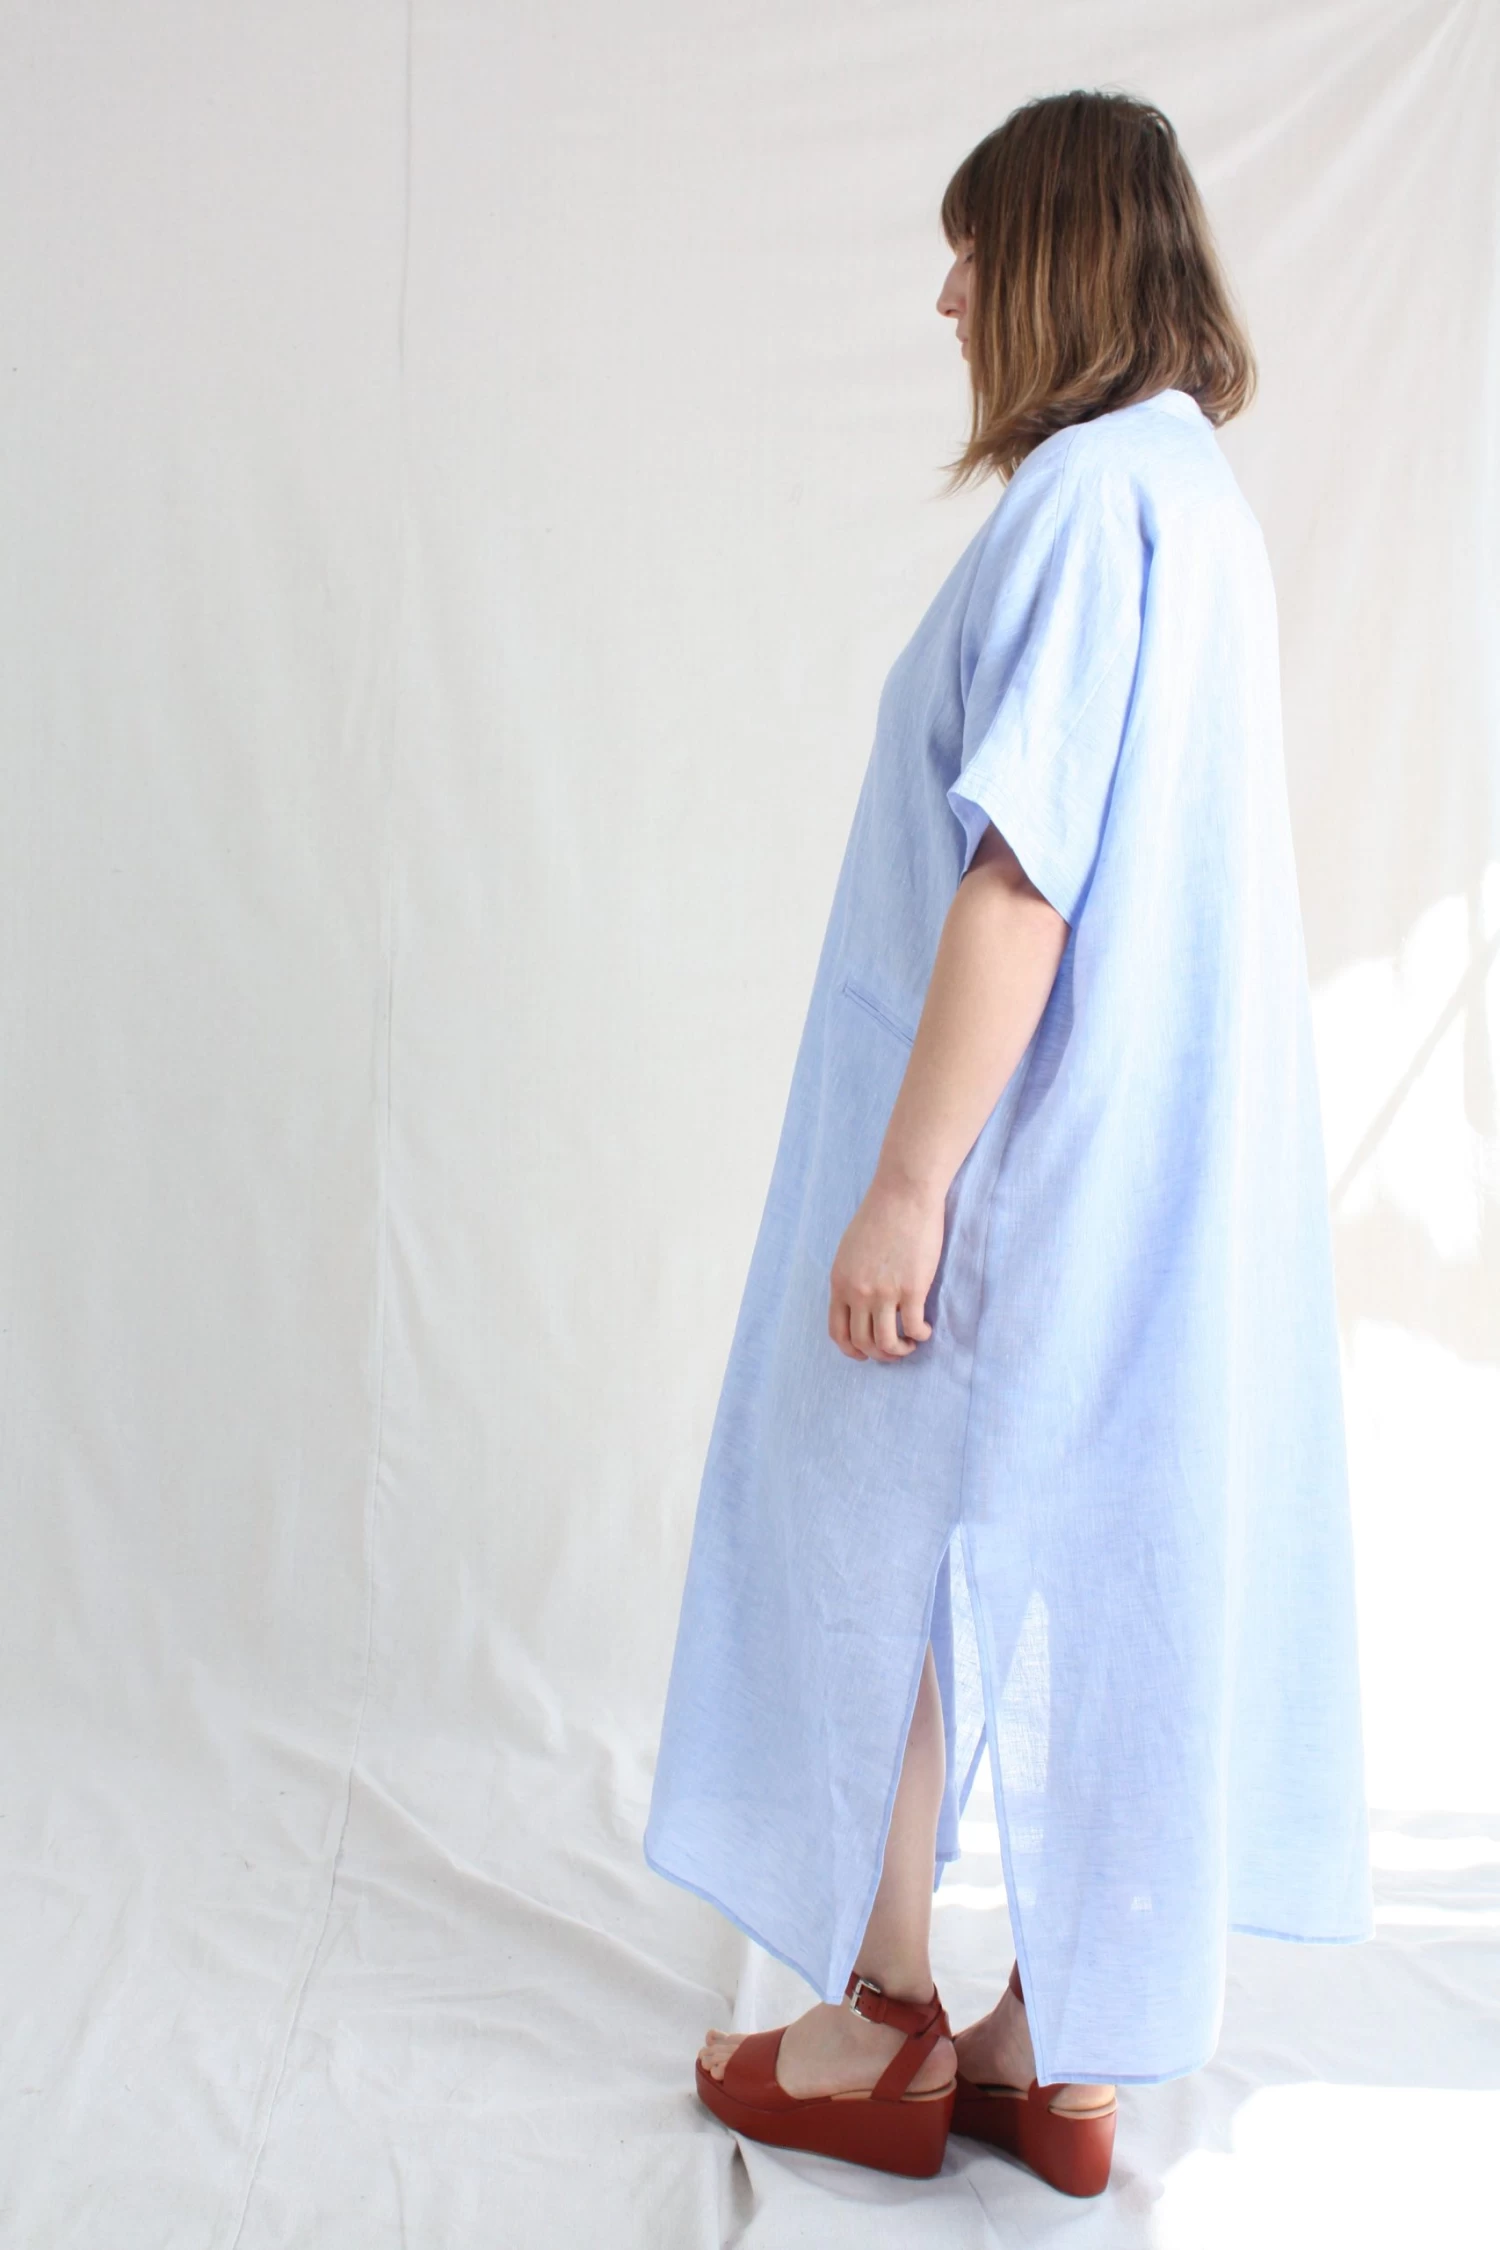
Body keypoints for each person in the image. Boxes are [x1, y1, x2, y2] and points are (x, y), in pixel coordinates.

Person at [643, 89, 1373, 2198]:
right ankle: (1061, 2048)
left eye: (972, 251)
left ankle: (876, 2026)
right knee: (1101, 1570)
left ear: (1054, 257)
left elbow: (1022, 876)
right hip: (1146, 1184)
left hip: (1005, 1171)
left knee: (852, 1540)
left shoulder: (1079, 500)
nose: (949, 297)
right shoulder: (1195, 502)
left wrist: (905, 1188)